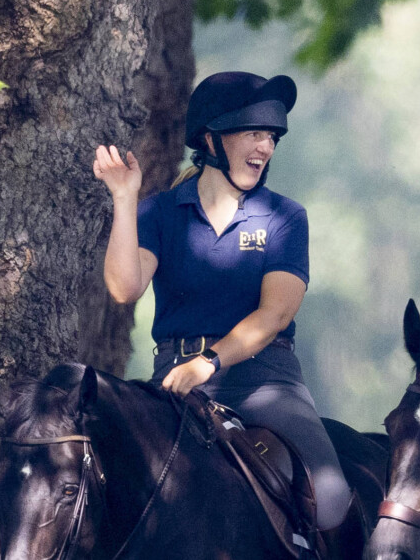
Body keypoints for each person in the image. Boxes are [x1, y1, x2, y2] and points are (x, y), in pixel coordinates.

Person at [93, 71, 352, 545]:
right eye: (255, 133)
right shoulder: (161, 213)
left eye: (272, 137)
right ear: (212, 139)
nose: (266, 147)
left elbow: (274, 315)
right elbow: (124, 288)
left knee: (332, 498)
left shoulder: (285, 218)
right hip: (173, 380)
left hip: (264, 381)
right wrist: (124, 199)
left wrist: (207, 364)